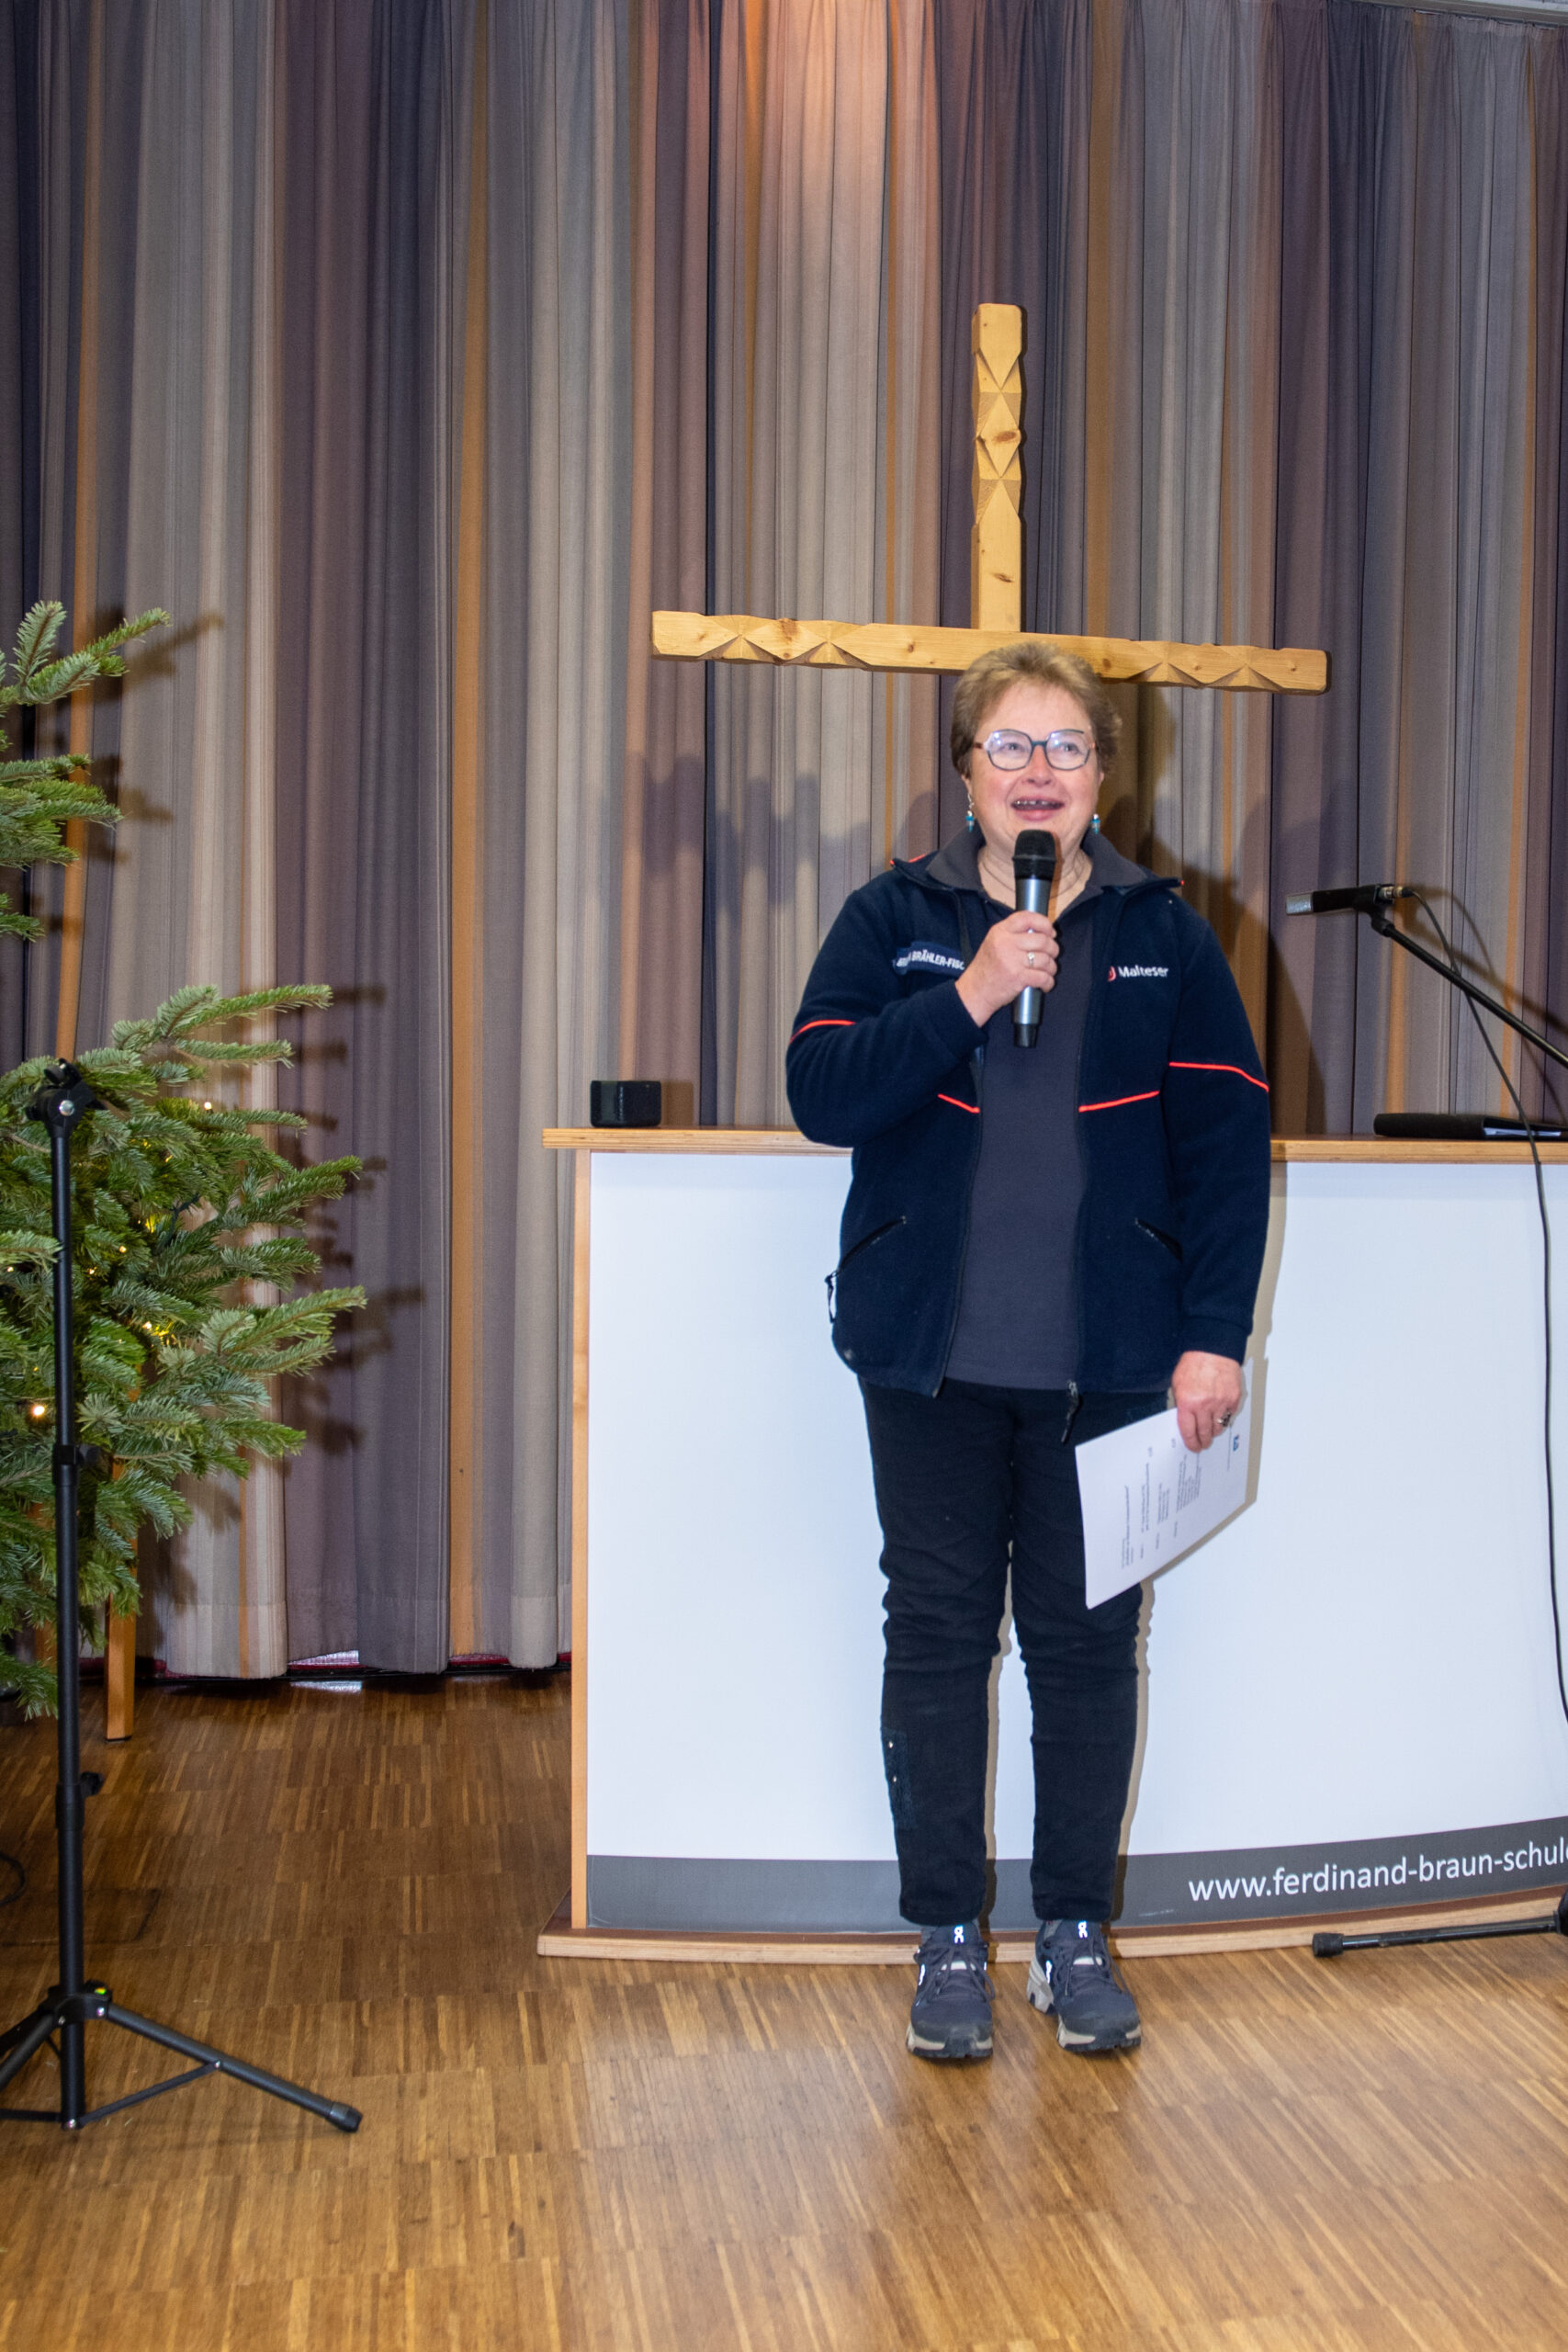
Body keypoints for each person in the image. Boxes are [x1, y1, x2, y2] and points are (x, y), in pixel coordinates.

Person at [785, 641, 1270, 2063]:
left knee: (1088, 1646)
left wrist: (1214, 1338)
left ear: (1103, 778)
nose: (1040, 772)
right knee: (936, 1640)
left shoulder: (1168, 935)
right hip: (926, 1359)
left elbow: (1225, 1151)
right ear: (966, 772)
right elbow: (822, 1092)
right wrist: (972, 991)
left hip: (1110, 1363)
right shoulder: (894, 919)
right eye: (1012, 745)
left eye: (1068, 747)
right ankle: (947, 1933)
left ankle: (1071, 1931)